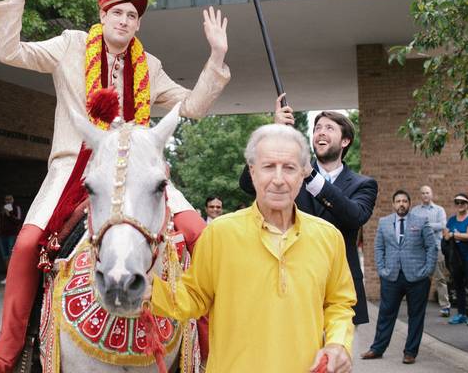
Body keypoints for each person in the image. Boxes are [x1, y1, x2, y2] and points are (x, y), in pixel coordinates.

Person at [0, 0, 231, 373]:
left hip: (138, 167)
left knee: (201, 236)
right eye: (118, 12)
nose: (125, 21)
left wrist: (216, 58)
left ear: (138, 24)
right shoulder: (70, 46)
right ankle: (6, 357)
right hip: (75, 166)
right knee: (23, 248)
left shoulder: (150, 67)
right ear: (102, 14)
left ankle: (213, 353)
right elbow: (9, 51)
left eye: (132, 15)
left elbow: (193, 106)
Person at [149, 124, 357, 372]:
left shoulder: (328, 237)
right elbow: (194, 297)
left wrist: (337, 344)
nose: (278, 179)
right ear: (253, 171)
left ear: (302, 174)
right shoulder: (219, 234)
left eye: (289, 168)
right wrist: (151, 291)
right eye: (269, 166)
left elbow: (339, 304)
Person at [243, 107, 378, 325]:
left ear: (345, 141)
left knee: (335, 355)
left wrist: (312, 177)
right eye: (317, 128)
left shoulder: (364, 185)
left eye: (329, 128)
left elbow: (355, 216)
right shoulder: (290, 173)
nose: (321, 132)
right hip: (292, 283)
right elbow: (248, 184)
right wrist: (275, 132)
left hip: (338, 288)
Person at [361, 190, 436, 365]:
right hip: (391, 277)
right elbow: (379, 248)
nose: (401, 204)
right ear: (393, 204)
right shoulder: (384, 222)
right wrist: (381, 269)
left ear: (409, 204)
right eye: (398, 201)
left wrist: (427, 270)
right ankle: (377, 348)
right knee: (386, 314)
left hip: (417, 277)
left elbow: (431, 247)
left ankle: (410, 352)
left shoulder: (421, 221)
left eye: (404, 201)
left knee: (416, 316)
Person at [411, 185, 451, 316]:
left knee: (440, 278)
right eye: (422, 193)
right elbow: (411, 227)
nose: (425, 195)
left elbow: (443, 225)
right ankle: (419, 307)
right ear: (420, 195)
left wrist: (424, 225)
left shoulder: (439, 210)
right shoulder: (415, 211)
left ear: (431, 194)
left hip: (436, 248)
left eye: (427, 193)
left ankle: (445, 306)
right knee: (420, 279)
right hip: (420, 250)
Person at [443, 193, 468, 326]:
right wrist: (456, 235)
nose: (460, 205)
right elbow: (446, 235)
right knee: (458, 286)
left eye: (463, 202)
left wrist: (454, 234)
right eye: (457, 202)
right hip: (456, 258)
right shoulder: (452, 219)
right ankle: (461, 314)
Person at [0, 194, 23, 284]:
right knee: (5, 256)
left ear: (13, 199)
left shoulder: (16, 208)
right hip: (2, 235)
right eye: (6, 199)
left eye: (10, 199)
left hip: (12, 234)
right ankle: (8, 276)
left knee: (12, 255)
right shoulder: (3, 208)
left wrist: (10, 214)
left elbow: (18, 221)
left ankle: (13, 276)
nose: (8, 201)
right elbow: (0, 220)